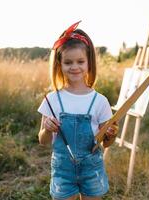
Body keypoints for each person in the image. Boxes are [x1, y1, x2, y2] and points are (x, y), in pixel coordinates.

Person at [37, 21, 119, 200]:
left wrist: (111, 135)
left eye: (80, 61)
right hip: (62, 172)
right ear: (59, 64)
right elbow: (42, 141)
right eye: (68, 62)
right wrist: (46, 129)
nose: (74, 67)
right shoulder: (52, 100)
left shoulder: (100, 101)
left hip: (92, 170)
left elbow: (106, 144)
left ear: (89, 62)